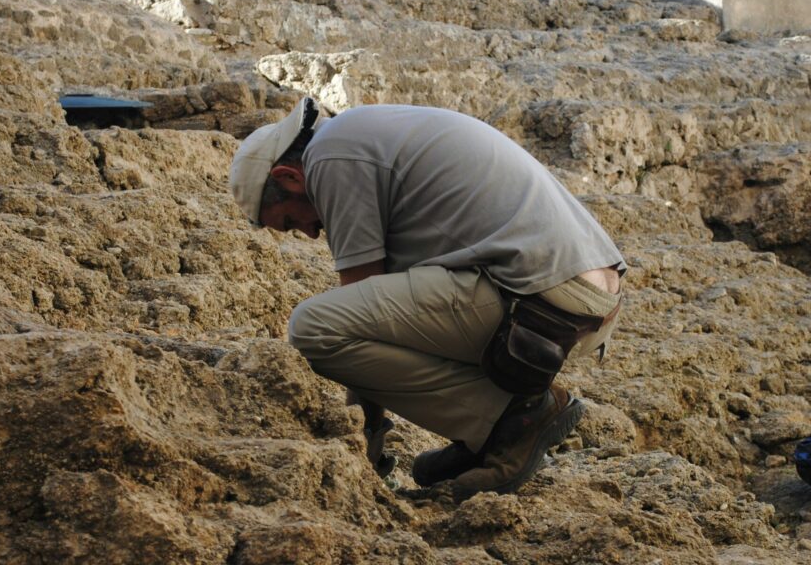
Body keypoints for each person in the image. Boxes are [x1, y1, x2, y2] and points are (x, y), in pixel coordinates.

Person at [229, 97, 625, 498]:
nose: (312, 234)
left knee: (313, 327)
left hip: (543, 300)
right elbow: (383, 311)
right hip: (587, 299)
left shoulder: (330, 160)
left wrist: (366, 460)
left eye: (291, 222)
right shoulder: (362, 134)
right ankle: (487, 437)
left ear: (289, 177)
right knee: (367, 318)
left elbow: (355, 311)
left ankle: (510, 420)